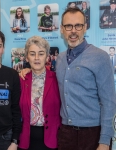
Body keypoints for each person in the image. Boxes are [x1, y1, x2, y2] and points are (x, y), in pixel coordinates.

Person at [20, 7, 116, 150]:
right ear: (62, 29)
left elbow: (109, 102)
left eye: (78, 25)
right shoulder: (60, 59)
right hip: (65, 133)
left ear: (85, 28)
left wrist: (104, 141)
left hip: (92, 132)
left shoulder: (100, 57)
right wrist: (27, 70)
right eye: (68, 26)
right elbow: (43, 76)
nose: (73, 31)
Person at [18, 36, 61, 150]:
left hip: (52, 140)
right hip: (25, 140)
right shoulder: (20, 80)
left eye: (41, 53)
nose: (36, 58)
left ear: (47, 57)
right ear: (27, 57)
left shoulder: (58, 79)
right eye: (32, 54)